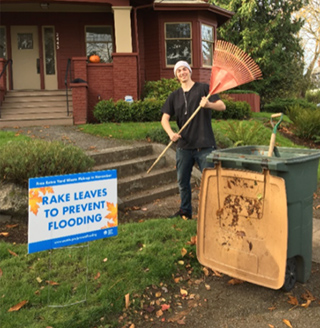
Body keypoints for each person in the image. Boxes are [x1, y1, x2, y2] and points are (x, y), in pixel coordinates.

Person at [161, 60, 226, 220]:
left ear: (190, 71)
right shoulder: (174, 96)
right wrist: (171, 134)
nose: (182, 72)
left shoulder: (204, 88)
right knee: (183, 182)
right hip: (184, 147)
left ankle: (210, 214)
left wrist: (209, 104)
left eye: (184, 69)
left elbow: (222, 106)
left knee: (209, 183)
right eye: (179, 71)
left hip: (205, 146)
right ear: (176, 75)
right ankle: (185, 211)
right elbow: (164, 119)